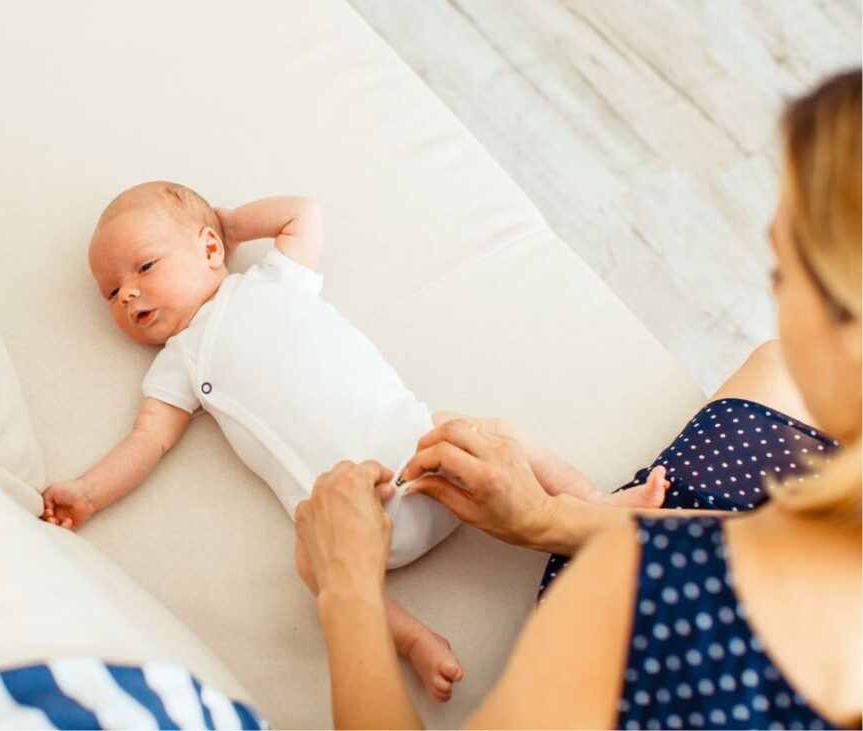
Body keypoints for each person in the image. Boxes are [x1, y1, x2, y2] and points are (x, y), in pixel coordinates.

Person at [295, 68, 861, 728]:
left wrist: (348, 589)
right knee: (773, 372)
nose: (775, 301)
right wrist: (553, 518)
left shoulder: (651, 591)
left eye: (783, 273)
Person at [40, 182, 663, 701]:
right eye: (110, 292)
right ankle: (413, 637)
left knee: (490, 433)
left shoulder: (271, 282)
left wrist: (228, 224)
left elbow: (301, 213)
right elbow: (147, 442)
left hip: (423, 453)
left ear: (208, 250)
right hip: (357, 532)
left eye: (144, 267)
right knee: (309, 565)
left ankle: (594, 503)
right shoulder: (177, 364)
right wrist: (89, 493)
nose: (126, 293)